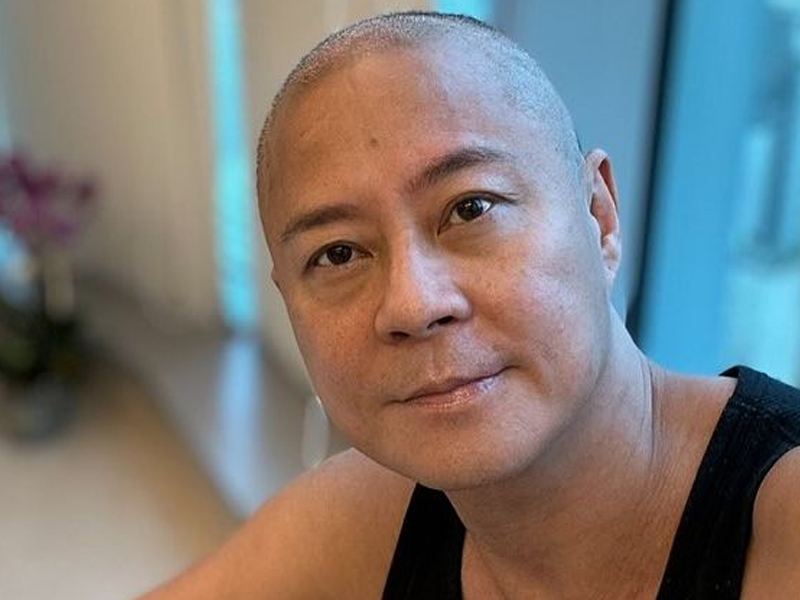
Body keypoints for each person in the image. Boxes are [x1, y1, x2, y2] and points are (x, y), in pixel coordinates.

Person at [139, 11, 800, 600]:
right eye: (338, 254)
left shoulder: (781, 516)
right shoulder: (373, 516)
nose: (412, 303)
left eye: (471, 208)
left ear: (599, 216)